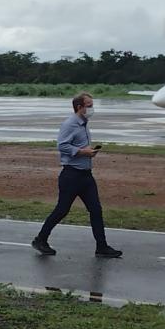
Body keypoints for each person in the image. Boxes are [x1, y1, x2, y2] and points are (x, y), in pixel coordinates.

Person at [31, 93, 123, 258]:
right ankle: (40, 239)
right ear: (79, 107)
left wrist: (89, 152)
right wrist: (82, 152)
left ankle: (101, 247)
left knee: (96, 210)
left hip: (86, 176)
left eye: (92, 105)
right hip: (71, 175)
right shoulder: (70, 124)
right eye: (89, 105)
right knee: (62, 210)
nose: (92, 109)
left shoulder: (84, 123)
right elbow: (62, 145)